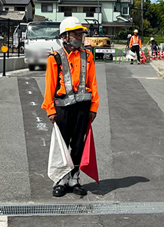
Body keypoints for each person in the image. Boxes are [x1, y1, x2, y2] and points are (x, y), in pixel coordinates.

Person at [42, 16, 99, 197]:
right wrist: (50, 110)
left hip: (82, 108)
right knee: (62, 146)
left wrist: (93, 108)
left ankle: (74, 179)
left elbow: (93, 83)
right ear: (65, 36)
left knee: (78, 145)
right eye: (76, 34)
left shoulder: (87, 55)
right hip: (62, 109)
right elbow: (50, 85)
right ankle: (60, 179)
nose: (80, 37)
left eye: (81, 33)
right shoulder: (55, 57)